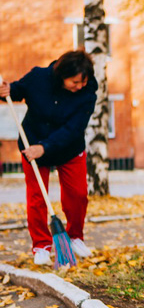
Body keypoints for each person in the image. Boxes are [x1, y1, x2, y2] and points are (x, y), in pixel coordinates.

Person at [0, 50, 98, 265]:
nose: (80, 86)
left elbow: (73, 129)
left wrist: (45, 147)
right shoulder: (38, 77)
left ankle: (74, 237)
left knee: (78, 195)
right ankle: (41, 245)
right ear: (62, 74)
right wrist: (6, 90)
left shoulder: (88, 93)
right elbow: (17, 91)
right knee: (37, 197)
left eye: (84, 81)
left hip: (68, 148)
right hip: (32, 143)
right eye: (75, 81)